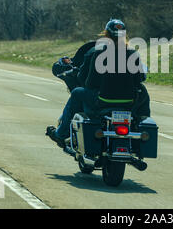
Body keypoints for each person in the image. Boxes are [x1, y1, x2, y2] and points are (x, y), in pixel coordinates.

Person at [46, 19, 150, 148]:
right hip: (129, 103)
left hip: (102, 101)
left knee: (77, 92)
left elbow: (89, 82)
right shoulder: (133, 53)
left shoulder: (99, 52)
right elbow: (139, 79)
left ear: (106, 34)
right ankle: (141, 124)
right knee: (144, 91)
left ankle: (61, 134)